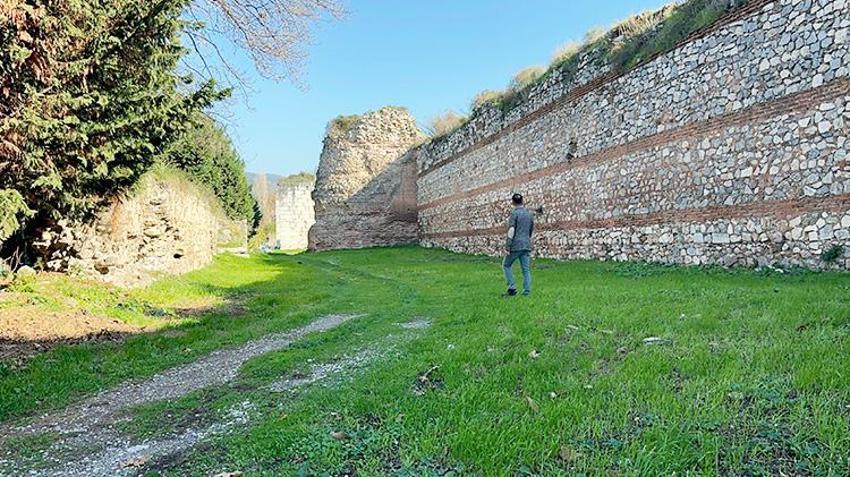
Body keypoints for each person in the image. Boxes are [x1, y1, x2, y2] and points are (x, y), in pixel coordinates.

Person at [503, 193, 533, 296]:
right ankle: (527, 291)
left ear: (512, 202)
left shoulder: (514, 214)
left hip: (516, 245)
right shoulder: (529, 214)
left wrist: (508, 245)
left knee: (506, 265)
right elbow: (530, 230)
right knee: (526, 270)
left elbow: (511, 230)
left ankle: (512, 287)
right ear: (522, 201)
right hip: (526, 244)